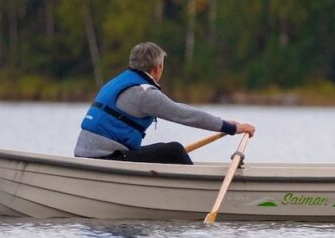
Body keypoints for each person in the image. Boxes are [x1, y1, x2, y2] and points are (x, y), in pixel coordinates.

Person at [75, 41, 257, 163]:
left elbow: (178, 107)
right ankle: (197, 194)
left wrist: (224, 124)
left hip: (84, 154)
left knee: (165, 152)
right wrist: (232, 128)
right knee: (174, 151)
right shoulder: (145, 93)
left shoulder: (116, 82)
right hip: (105, 158)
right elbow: (185, 115)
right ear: (157, 68)